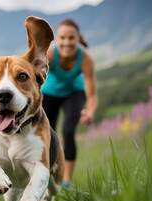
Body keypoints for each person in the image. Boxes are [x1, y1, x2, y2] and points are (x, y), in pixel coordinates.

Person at [42, 18, 98, 188]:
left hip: (74, 93)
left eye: (71, 38)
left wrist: (90, 111)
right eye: (62, 38)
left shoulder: (85, 59)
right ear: (57, 40)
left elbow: (92, 94)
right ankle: (46, 174)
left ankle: (66, 181)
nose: (66, 42)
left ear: (77, 38)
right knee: (47, 133)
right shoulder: (50, 54)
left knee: (68, 131)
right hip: (49, 93)